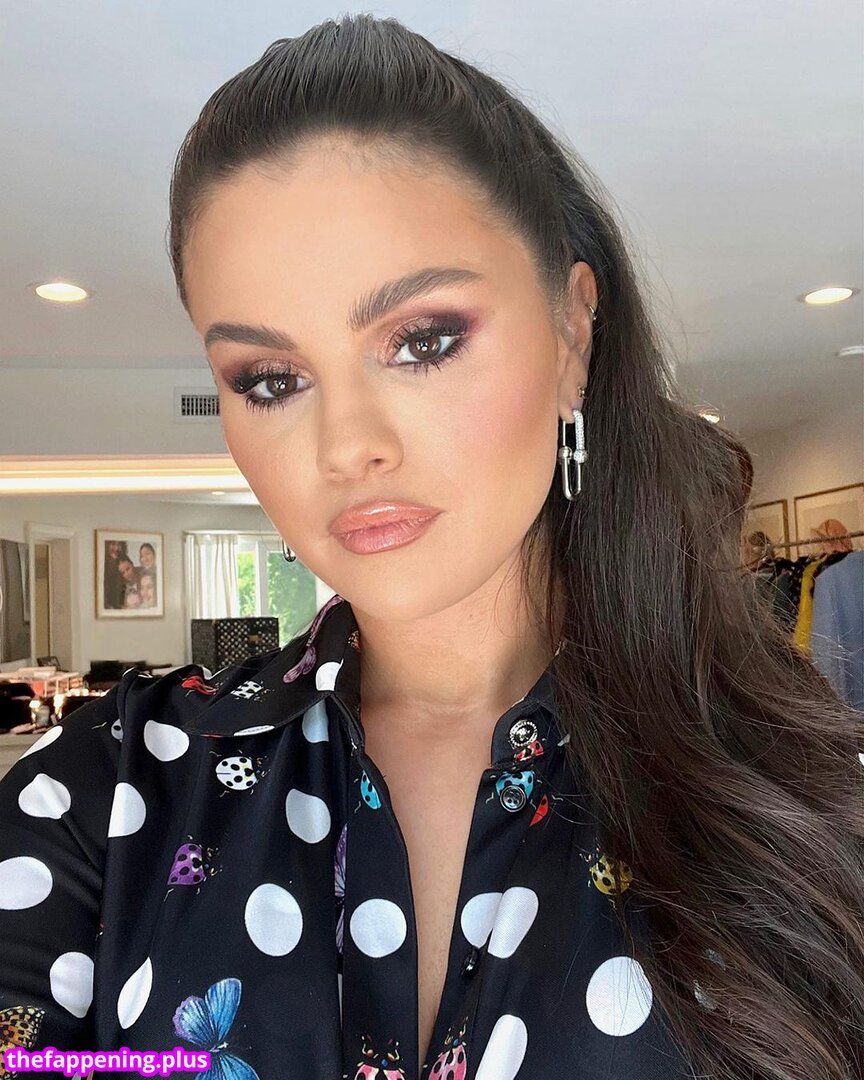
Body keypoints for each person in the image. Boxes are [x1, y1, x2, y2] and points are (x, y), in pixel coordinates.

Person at [1, 15, 862, 1080]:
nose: (346, 446)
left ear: (573, 335)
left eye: (422, 341)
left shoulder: (794, 795)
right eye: (270, 380)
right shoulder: (105, 791)